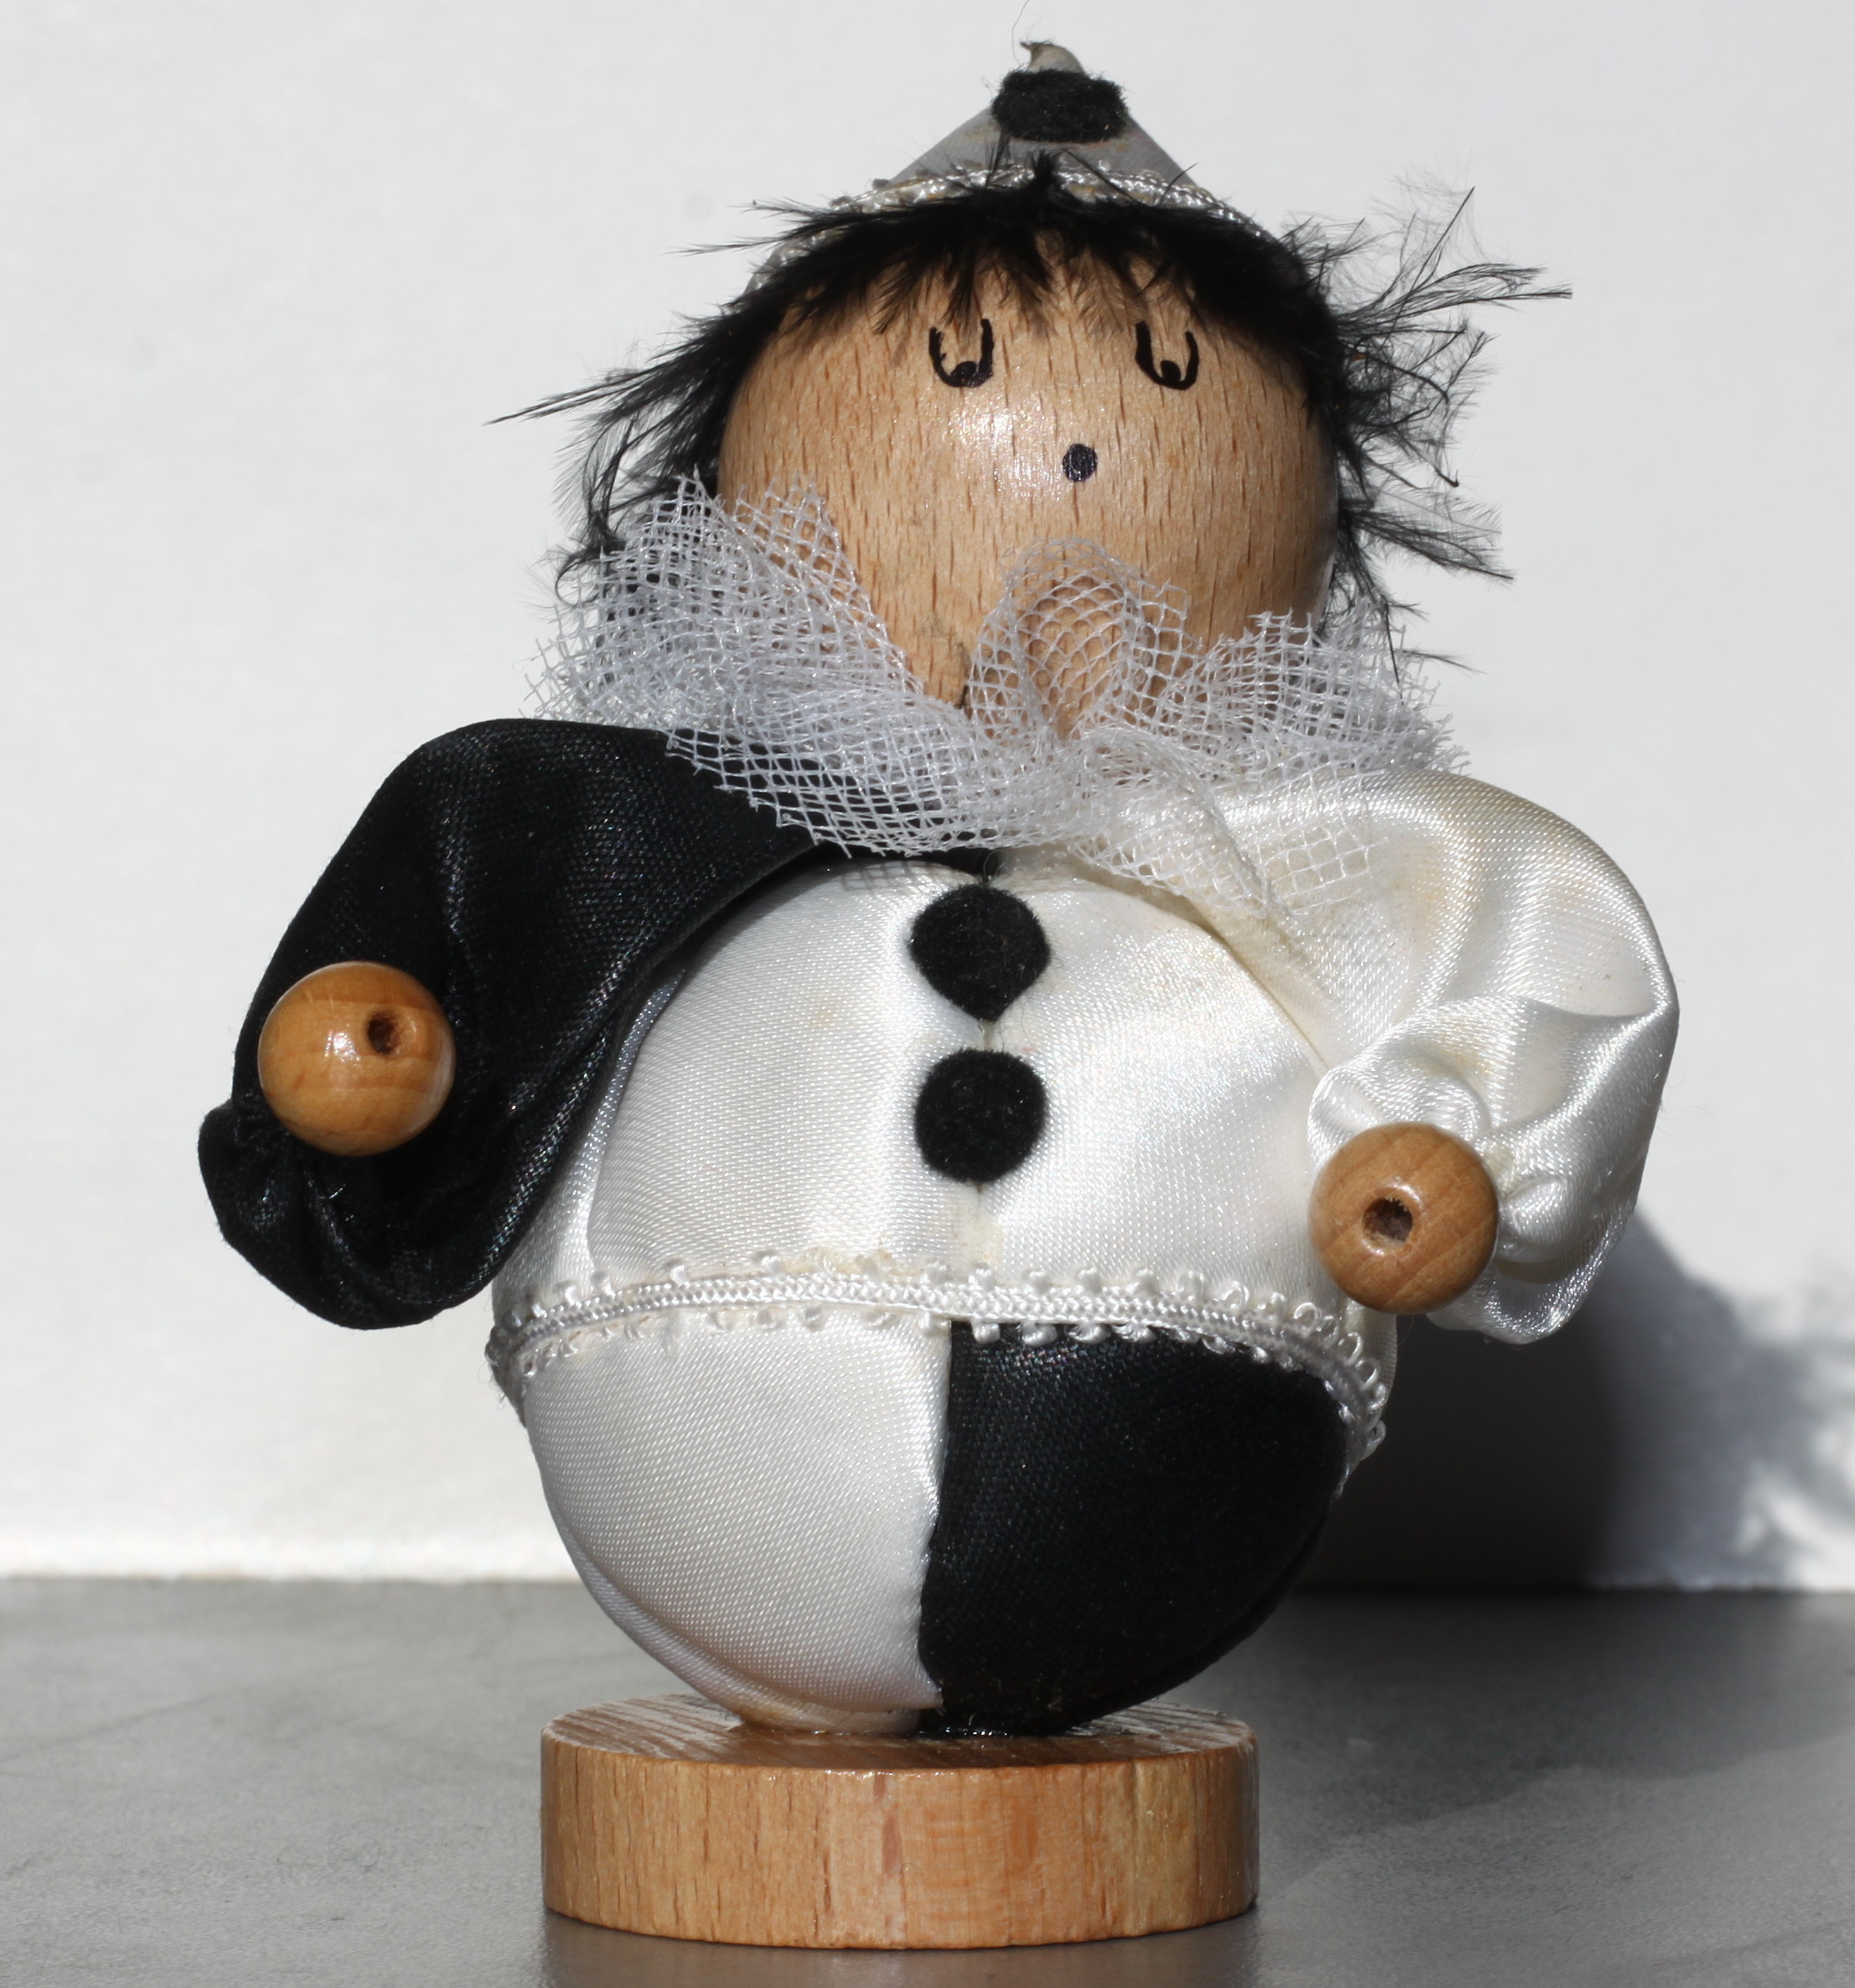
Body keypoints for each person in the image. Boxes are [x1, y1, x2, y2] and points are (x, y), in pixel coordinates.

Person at [202, 47, 1675, 1734]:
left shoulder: (1331, 862)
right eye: (954, 374)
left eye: (1171, 386)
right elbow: (438, 972)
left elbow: (1512, 971)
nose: (1074, 460)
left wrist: (1444, 1154)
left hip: (1187, 1477)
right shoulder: (626, 834)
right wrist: (390, 1057)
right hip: (690, 1449)